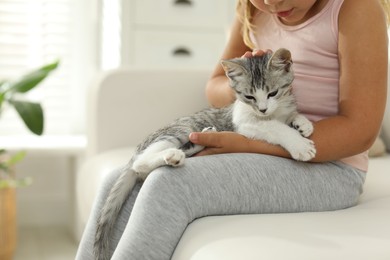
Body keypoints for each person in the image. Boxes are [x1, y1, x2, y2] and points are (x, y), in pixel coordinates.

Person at [76, 0, 389, 259]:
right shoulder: (255, 11)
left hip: (330, 168)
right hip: (264, 138)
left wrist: (249, 144)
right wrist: (246, 86)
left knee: (170, 185)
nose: (271, 3)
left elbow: (360, 132)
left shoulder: (356, 9)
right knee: (118, 179)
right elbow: (215, 86)